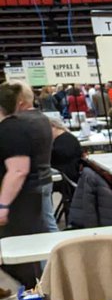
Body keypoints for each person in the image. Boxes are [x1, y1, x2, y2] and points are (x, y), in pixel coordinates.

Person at [0, 83, 51, 287]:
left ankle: (40, 298)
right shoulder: (12, 128)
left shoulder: (11, 130)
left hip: (19, 204)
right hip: (21, 201)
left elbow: (19, 170)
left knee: (22, 259)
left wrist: (3, 205)